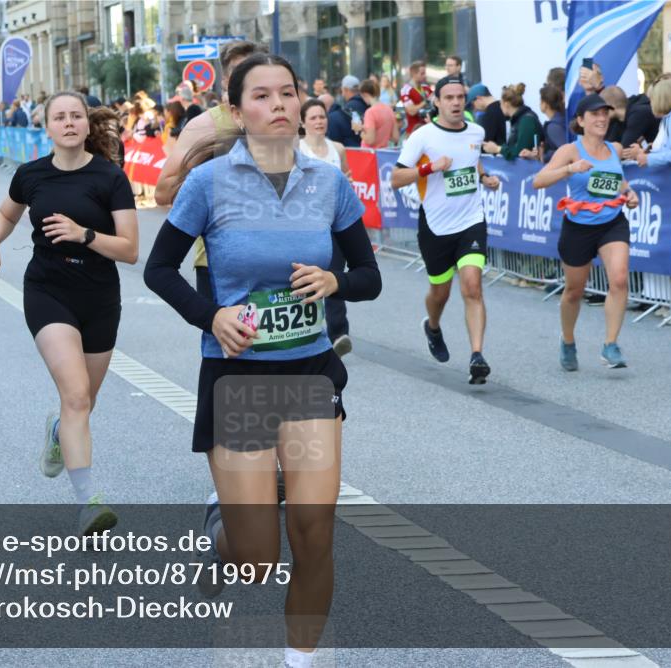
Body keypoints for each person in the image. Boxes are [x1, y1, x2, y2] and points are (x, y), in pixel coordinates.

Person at [142, 53, 381, 668]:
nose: (277, 105)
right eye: (262, 96)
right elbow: (159, 269)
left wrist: (335, 281)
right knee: (256, 561)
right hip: (239, 377)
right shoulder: (209, 183)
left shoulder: (329, 183)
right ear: (238, 109)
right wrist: (211, 315)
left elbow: (369, 276)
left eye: (287, 94)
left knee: (314, 536)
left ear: (302, 103)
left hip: (308, 373)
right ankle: (224, 531)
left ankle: (298, 661)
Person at [0, 92, 138, 535]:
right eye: (59, 117)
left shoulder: (110, 177)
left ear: (87, 124)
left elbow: (130, 249)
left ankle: (56, 434)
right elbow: (6, 216)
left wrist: (84, 234)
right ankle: (88, 503)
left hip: (100, 297)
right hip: (48, 292)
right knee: (77, 397)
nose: (68, 123)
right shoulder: (31, 175)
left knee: (83, 402)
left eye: (76, 116)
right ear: (46, 127)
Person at [391, 76, 500, 384]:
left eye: (459, 97)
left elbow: (473, 162)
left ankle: (477, 356)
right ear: (436, 102)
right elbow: (396, 179)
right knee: (440, 292)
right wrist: (429, 168)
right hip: (436, 226)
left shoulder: (476, 131)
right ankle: (433, 327)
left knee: (472, 286)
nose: (455, 102)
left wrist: (485, 177)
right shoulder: (422, 136)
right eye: (448, 97)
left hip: (471, 221)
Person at [154, 40, 269, 303]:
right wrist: (216, 173)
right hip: (221, 258)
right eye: (242, 74)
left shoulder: (284, 120)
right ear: (227, 81)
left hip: (280, 252)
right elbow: (163, 191)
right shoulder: (206, 125)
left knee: (283, 344)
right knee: (228, 341)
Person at [532, 94, 639, 370]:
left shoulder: (614, 148)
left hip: (612, 223)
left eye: (605, 114)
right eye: (594, 114)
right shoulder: (570, 150)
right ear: (580, 121)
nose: (601, 119)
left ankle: (610, 345)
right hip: (578, 227)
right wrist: (570, 168)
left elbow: (617, 179)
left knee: (618, 279)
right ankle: (567, 341)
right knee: (573, 291)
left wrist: (629, 192)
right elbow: (538, 180)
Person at [299, 98, 354, 357]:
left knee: (334, 275)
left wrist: (346, 183)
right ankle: (306, 330)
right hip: (305, 225)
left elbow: (346, 178)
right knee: (306, 279)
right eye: (313, 118)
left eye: (322, 117)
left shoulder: (338, 148)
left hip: (334, 223)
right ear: (303, 122)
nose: (319, 122)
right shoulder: (295, 150)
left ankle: (339, 333)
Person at [481, 83, 543, 161]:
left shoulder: (527, 121)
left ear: (506, 104)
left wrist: (497, 149)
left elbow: (521, 153)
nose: (499, 107)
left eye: (500, 103)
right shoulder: (520, 119)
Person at [600, 85, 660, 154]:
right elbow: (605, 147)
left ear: (611, 106)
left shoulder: (639, 113)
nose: (600, 113)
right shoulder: (617, 119)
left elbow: (625, 148)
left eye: (603, 108)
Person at [326, 75, 368, 147]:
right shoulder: (370, 108)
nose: (342, 94)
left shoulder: (336, 115)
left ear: (346, 90)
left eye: (342, 91)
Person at [359, 79, 396, 149]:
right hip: (383, 153)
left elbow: (370, 140)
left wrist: (360, 132)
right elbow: (395, 137)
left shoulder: (370, 112)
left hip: (370, 154)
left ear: (365, 94)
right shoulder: (389, 109)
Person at [399, 61, 432, 137]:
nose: (424, 76)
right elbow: (411, 111)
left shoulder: (426, 88)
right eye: (422, 73)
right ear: (414, 74)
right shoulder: (406, 90)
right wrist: (426, 102)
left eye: (425, 73)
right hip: (412, 132)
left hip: (428, 131)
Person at [540, 85, 566, 162]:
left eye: (540, 101)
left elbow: (566, 151)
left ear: (545, 104)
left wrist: (544, 156)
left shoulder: (553, 126)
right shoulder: (562, 119)